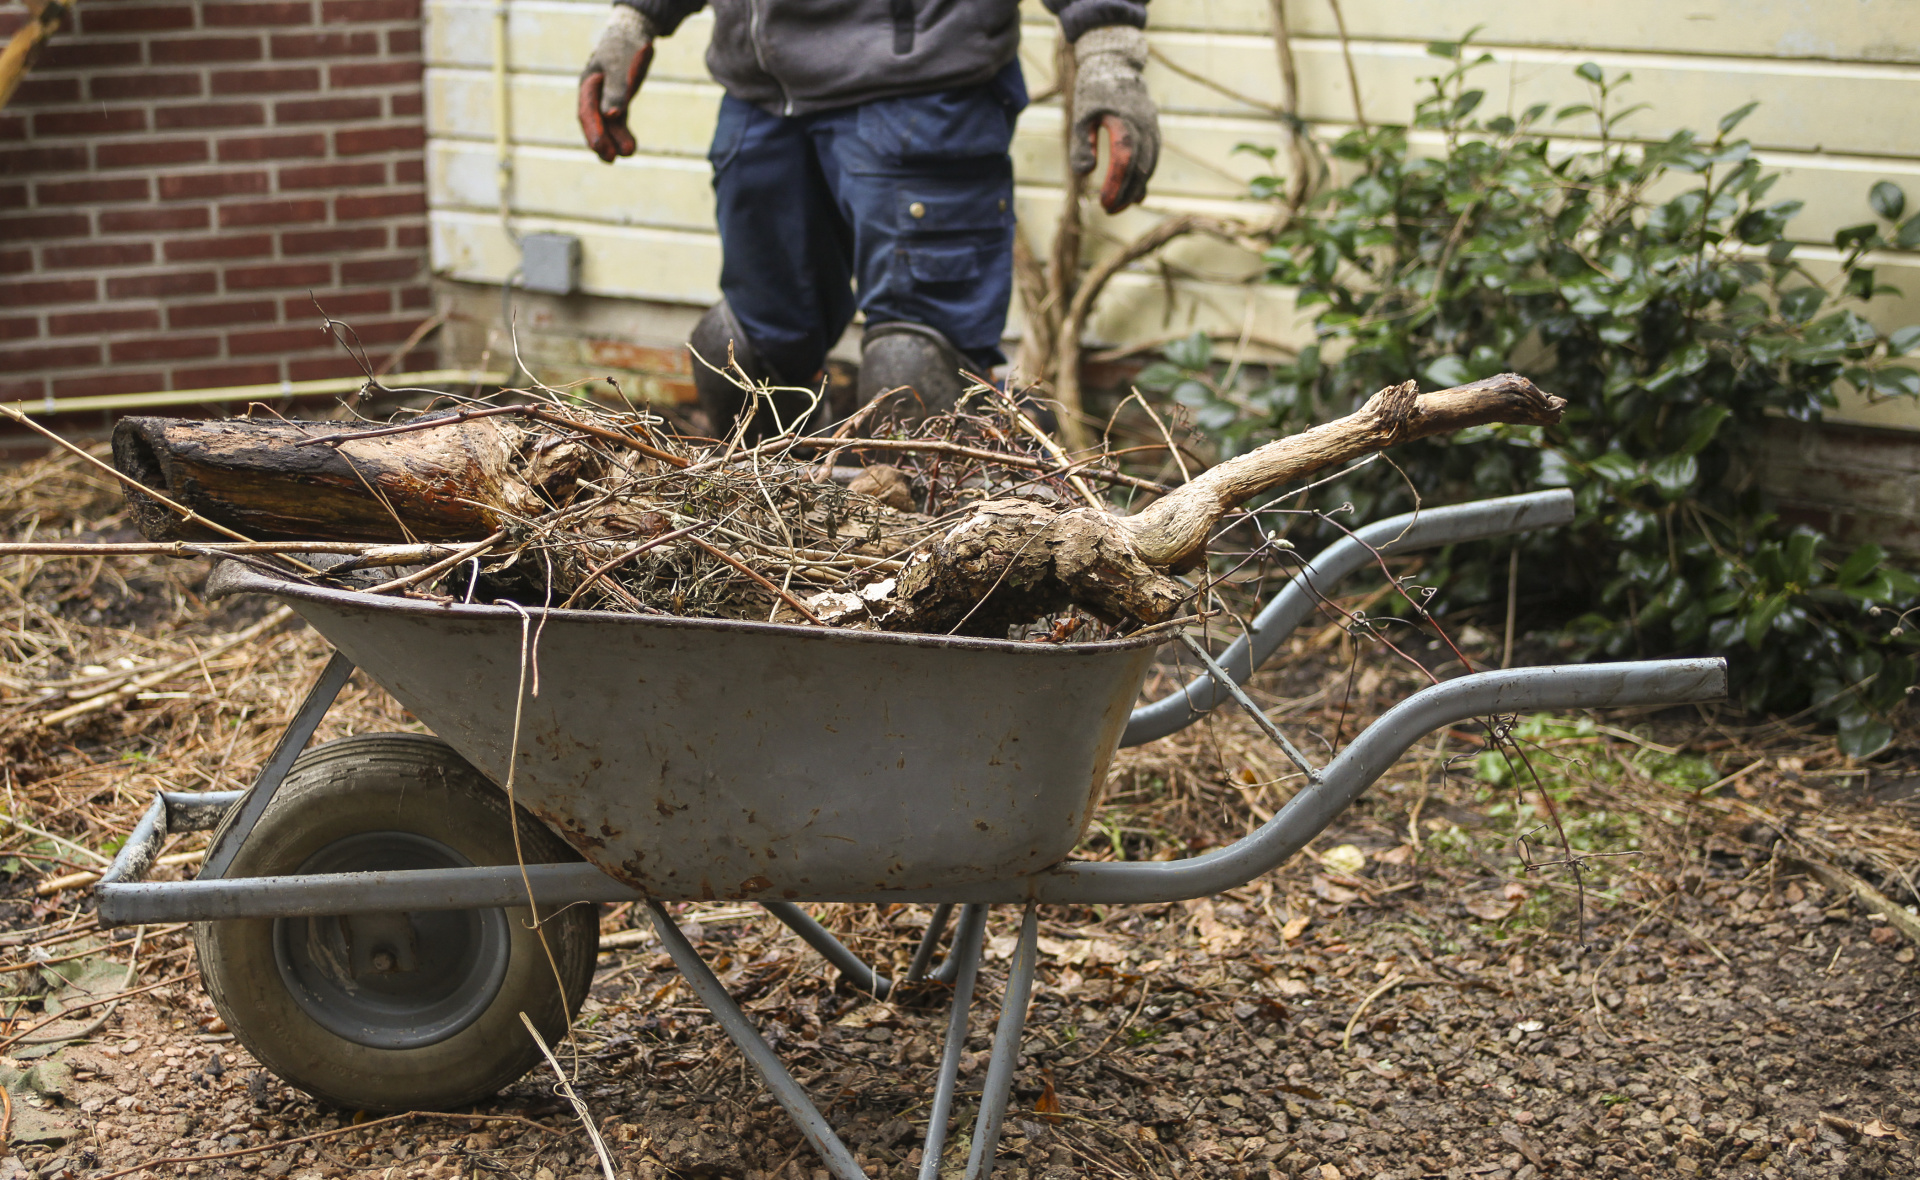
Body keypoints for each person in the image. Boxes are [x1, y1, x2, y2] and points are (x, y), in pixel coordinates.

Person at [577, 0, 1160, 439]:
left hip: (921, 83)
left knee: (916, 370)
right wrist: (636, 18)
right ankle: (770, 566)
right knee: (744, 353)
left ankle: (936, 580)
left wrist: (1108, 48)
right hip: (761, 94)